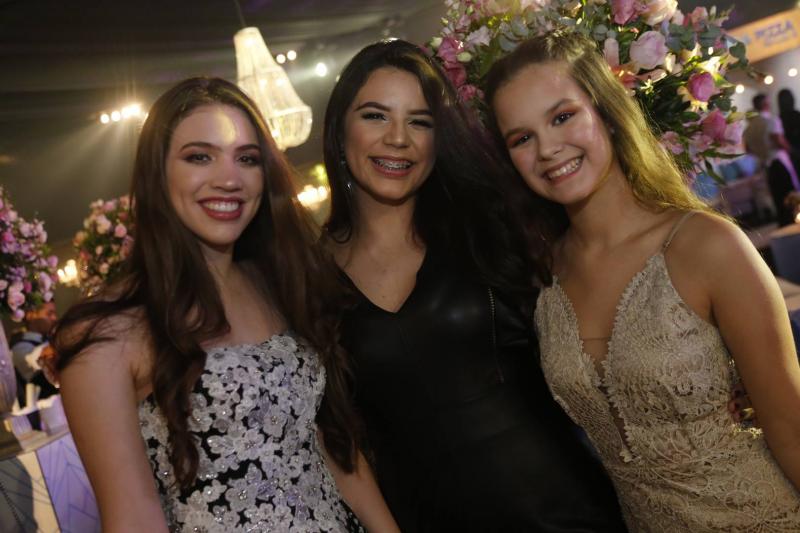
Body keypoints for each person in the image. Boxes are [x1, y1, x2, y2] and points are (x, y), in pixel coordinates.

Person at [52, 77, 397, 533]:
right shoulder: (108, 331)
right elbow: (133, 517)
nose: (229, 179)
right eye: (199, 156)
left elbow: (332, 445)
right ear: (158, 172)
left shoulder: (278, 285)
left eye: (247, 159)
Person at [486, 30, 800, 530]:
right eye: (522, 138)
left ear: (606, 113)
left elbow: (791, 429)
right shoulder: (544, 278)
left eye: (563, 117)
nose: (547, 149)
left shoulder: (706, 245)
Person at [323, 39, 627, 532]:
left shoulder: (491, 227)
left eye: (420, 122)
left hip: (566, 514)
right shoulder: (308, 275)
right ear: (340, 129)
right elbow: (339, 438)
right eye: (375, 116)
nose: (398, 138)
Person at [743, 93, 799, 226]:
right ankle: (795, 220)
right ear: (765, 104)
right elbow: (778, 140)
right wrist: (792, 151)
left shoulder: (748, 129)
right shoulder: (771, 120)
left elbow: (748, 150)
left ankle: (785, 222)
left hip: (765, 165)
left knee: (777, 195)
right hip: (779, 161)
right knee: (790, 193)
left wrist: (762, 153)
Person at [9, 301, 59, 406]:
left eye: (54, 313)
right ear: (30, 315)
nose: (54, 318)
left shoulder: (50, 338)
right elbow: (35, 358)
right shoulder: (19, 347)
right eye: (49, 314)